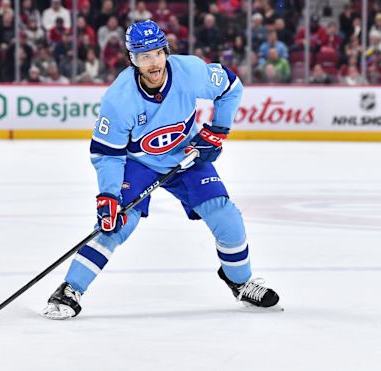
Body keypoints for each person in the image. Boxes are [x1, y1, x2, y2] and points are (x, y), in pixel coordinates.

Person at [42, 20, 280, 320]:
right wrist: (109, 196)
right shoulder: (119, 99)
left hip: (185, 157)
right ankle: (70, 288)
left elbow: (232, 87)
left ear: (165, 51)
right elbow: (107, 154)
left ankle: (240, 281)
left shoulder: (190, 71)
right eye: (144, 56)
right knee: (117, 223)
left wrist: (218, 130)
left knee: (225, 214)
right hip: (138, 163)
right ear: (133, 60)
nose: (153, 62)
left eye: (157, 53)